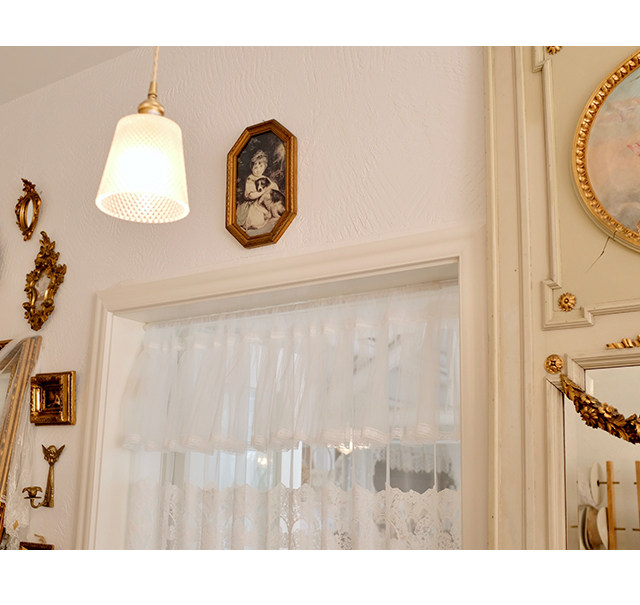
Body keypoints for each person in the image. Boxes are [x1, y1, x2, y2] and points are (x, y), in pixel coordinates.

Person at [237, 150, 282, 231]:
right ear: (251, 168)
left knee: (273, 210)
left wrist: (272, 188)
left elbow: (274, 187)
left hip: (263, 203)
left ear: (265, 166)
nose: (258, 170)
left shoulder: (264, 178)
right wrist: (263, 191)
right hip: (252, 204)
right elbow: (251, 195)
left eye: (261, 166)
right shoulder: (250, 179)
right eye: (255, 167)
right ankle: (248, 225)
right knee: (257, 219)